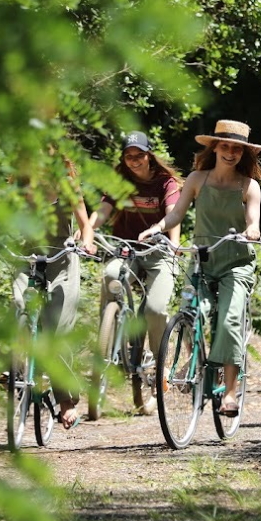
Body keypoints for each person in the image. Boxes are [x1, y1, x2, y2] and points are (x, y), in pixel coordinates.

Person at [138, 119, 261, 417]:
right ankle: (190, 366)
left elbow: (253, 220)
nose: (230, 152)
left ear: (243, 153)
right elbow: (177, 214)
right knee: (192, 313)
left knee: (230, 319)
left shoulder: (249, 186)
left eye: (237, 148)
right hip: (203, 260)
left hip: (236, 264)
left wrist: (253, 230)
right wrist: (156, 228)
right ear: (215, 147)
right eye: (225, 146)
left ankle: (230, 393)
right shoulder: (197, 179)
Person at [82, 130, 181, 414]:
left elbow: (173, 214)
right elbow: (102, 210)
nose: (134, 161)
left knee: (154, 308)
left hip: (158, 251)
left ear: (150, 155)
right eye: (129, 156)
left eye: (139, 155)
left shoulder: (166, 182)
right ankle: (109, 338)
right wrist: (88, 231)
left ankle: (158, 367)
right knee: (111, 276)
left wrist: (173, 244)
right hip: (126, 248)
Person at [12, 150, 93, 430]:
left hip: (61, 257)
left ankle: (66, 400)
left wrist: (86, 243)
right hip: (29, 254)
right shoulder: (19, 186)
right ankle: (15, 368)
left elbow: (85, 225)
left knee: (56, 327)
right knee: (18, 302)